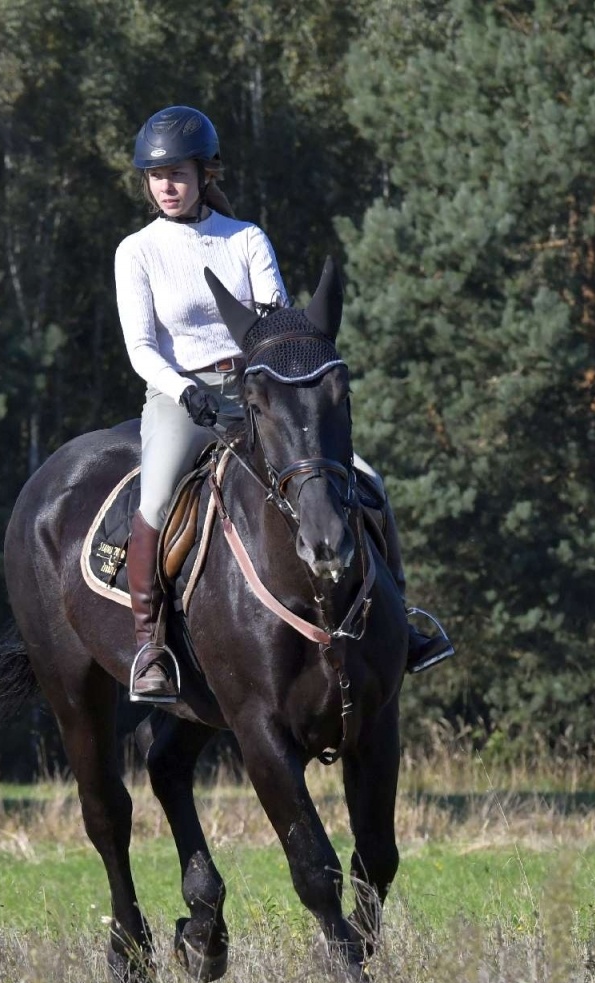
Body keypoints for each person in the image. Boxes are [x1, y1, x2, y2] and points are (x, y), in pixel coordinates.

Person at [113, 105, 453, 703]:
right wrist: (188, 393)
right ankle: (151, 644)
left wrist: (264, 386)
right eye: (156, 174)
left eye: (178, 173)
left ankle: (403, 619)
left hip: (261, 390)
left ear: (205, 174)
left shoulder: (244, 238)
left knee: (367, 480)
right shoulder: (136, 251)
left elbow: (278, 322)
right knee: (159, 493)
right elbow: (140, 347)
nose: (166, 185)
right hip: (179, 394)